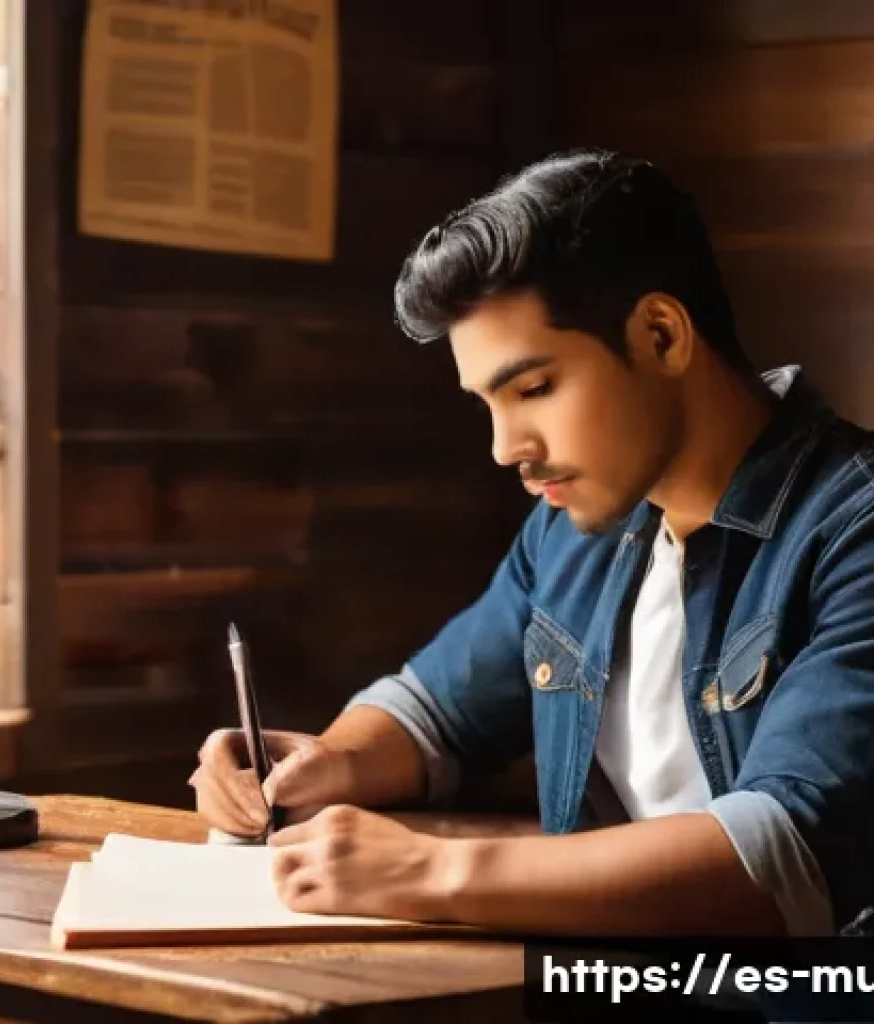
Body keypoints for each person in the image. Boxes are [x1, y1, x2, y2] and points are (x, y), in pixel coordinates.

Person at [189, 148, 874, 938]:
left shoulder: (852, 526)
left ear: (661, 334)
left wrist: (430, 868)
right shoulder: (573, 528)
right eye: (487, 402)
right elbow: (434, 711)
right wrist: (329, 763)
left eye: (534, 389)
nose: (505, 446)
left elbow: (782, 860)